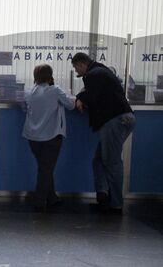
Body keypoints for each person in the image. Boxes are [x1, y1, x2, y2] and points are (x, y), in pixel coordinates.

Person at [72, 52, 135, 214]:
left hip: (114, 120)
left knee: (112, 162)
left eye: (76, 67)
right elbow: (91, 92)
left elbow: (91, 94)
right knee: (99, 159)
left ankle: (116, 204)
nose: (77, 72)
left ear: (80, 64)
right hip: (124, 118)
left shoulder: (94, 74)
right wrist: (81, 97)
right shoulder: (101, 71)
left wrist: (80, 99)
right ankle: (103, 194)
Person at [22, 64, 75, 212]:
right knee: (46, 169)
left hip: (32, 137)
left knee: (45, 167)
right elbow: (70, 105)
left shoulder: (29, 92)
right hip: (51, 136)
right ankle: (39, 201)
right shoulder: (55, 90)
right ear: (50, 75)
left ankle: (52, 197)